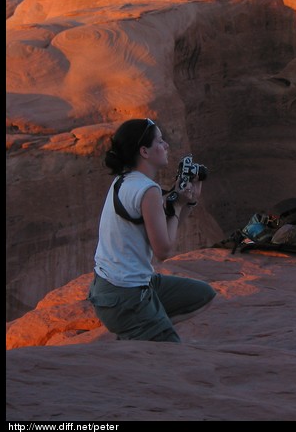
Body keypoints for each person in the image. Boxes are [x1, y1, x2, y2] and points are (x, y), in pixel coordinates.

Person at [87, 118, 216, 342]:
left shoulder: (124, 180)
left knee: (203, 295)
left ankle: (146, 326)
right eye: (160, 141)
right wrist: (176, 205)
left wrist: (187, 202)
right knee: (168, 353)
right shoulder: (147, 190)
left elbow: (164, 231)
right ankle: (142, 329)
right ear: (144, 151)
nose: (166, 145)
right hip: (126, 295)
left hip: (112, 288)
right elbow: (163, 251)